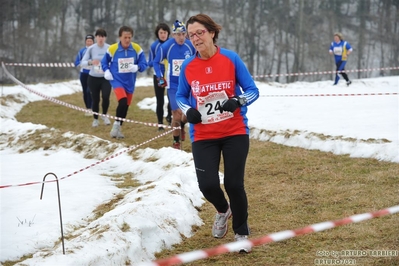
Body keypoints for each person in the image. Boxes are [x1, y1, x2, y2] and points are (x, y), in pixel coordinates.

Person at [176, 14, 259, 253]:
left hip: (234, 131)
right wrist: (188, 110)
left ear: (212, 33)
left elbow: (253, 90)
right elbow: (181, 96)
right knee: (208, 185)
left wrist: (238, 100)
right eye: (191, 35)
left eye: (200, 32)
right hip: (203, 135)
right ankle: (224, 210)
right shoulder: (189, 67)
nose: (195, 38)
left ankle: (241, 232)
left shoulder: (231, 59)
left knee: (234, 184)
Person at [153, 20, 195, 149]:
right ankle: (176, 141)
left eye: (183, 34)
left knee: (187, 115)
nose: (181, 37)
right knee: (176, 114)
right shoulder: (166, 46)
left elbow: (199, 60)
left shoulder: (191, 45)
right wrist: (160, 77)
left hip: (188, 84)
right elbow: (156, 62)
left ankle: (182, 126)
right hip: (173, 85)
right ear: (173, 35)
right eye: (178, 34)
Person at [101, 25, 148, 139]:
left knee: (126, 106)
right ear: (120, 37)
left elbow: (144, 64)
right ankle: (115, 127)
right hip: (117, 80)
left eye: (129, 37)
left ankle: (118, 128)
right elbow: (104, 62)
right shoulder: (112, 49)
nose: (127, 40)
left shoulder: (136, 49)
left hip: (130, 82)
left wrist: (137, 67)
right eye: (125, 37)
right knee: (122, 101)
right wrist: (106, 71)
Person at [80, 28, 111, 127]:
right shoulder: (91, 48)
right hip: (93, 77)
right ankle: (96, 119)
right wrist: (91, 62)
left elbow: (115, 60)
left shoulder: (109, 48)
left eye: (102, 37)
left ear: (105, 38)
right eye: (98, 37)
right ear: (96, 38)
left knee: (106, 97)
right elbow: (82, 62)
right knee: (95, 99)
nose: (100, 39)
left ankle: (104, 115)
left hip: (105, 77)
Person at [148, 23, 173, 131]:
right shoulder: (154, 46)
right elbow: (150, 61)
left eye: (165, 32)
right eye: (161, 33)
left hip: (170, 76)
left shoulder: (173, 44)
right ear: (157, 34)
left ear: (168, 33)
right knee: (160, 100)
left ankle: (169, 116)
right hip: (159, 77)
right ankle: (160, 123)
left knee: (171, 98)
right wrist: (157, 62)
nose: (163, 35)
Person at [74, 34, 94, 116]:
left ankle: (92, 107)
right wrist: (81, 64)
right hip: (84, 73)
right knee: (85, 92)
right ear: (85, 42)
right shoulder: (82, 51)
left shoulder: (96, 51)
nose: (89, 42)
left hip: (93, 74)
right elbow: (77, 62)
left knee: (90, 91)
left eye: (91, 41)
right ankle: (88, 108)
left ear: (93, 42)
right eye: (88, 41)